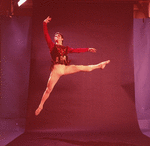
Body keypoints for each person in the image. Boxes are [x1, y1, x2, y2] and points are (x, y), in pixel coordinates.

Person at [35, 16, 110, 116]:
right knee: (48, 89)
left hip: (65, 68)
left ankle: (100, 65)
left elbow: (77, 50)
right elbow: (46, 35)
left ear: (62, 38)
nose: (55, 37)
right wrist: (44, 23)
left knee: (82, 67)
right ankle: (41, 105)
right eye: (55, 36)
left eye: (58, 35)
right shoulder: (52, 46)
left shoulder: (66, 48)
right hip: (56, 71)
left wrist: (88, 49)